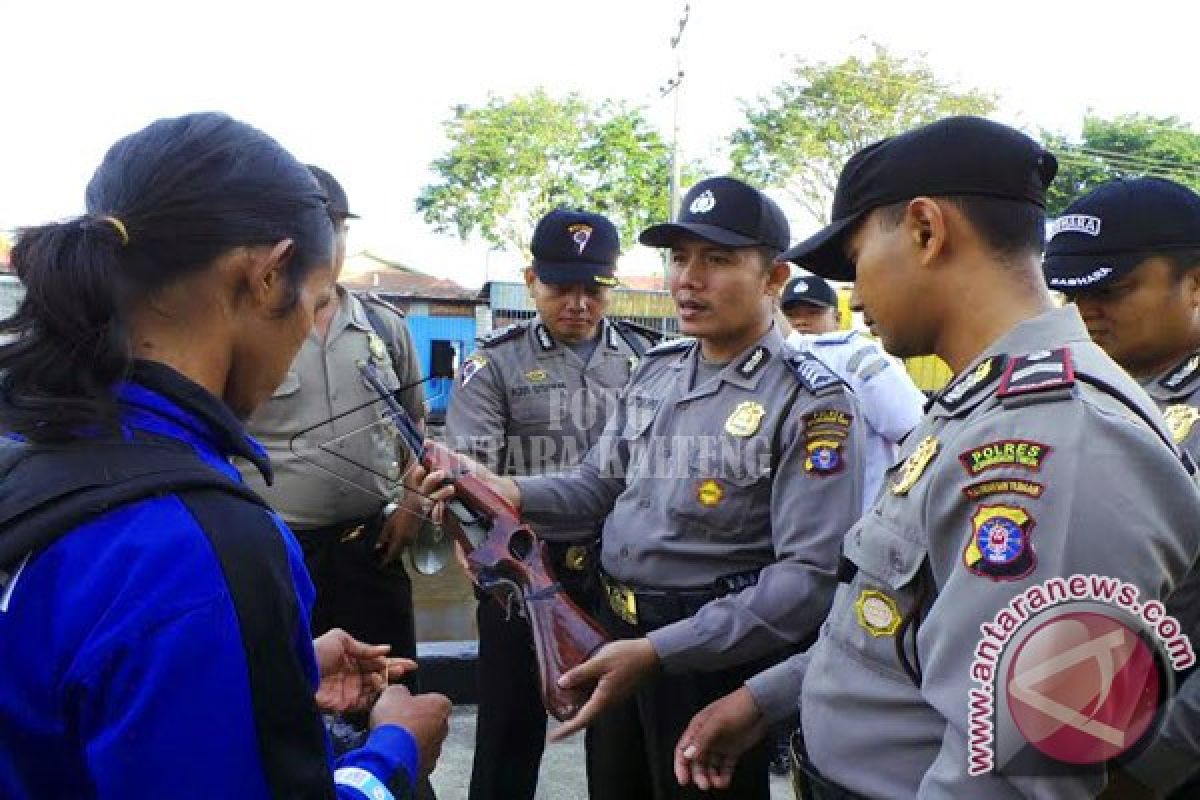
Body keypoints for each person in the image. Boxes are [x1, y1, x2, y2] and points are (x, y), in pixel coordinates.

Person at [672, 117, 1200, 798]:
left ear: (926, 229)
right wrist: (766, 698)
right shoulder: (975, 405)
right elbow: (897, 623)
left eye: (858, 260)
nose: (855, 296)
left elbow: (1015, 775)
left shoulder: (1060, 439)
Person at [0, 112, 450, 800]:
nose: (307, 334)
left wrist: (271, 664)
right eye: (315, 300)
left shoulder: (26, 456)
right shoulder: (198, 552)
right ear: (267, 277)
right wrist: (391, 755)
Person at [477, 176, 866, 800]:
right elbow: (595, 486)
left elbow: (808, 580)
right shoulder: (659, 371)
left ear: (773, 279)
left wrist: (661, 651)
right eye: (680, 257)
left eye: (716, 259)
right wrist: (507, 490)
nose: (689, 278)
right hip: (615, 639)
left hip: (709, 658)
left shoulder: (808, 399)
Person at [444, 208, 661, 800]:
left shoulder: (650, 363)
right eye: (561, 287)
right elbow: (470, 478)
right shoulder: (495, 365)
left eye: (594, 289)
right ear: (531, 278)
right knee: (509, 733)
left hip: (618, 573)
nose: (579, 303)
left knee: (617, 741)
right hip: (521, 573)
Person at [239, 165, 429, 697]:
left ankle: (395, 776)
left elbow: (414, 425)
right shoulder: (245, 328)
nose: (325, 243)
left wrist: (412, 506)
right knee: (288, 704)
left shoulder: (384, 326)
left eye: (336, 228)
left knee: (391, 690)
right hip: (278, 553)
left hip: (373, 548)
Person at [1043, 176, 1200, 797]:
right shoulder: (1083, 390)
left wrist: (1146, 773)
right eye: (1072, 295)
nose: (1086, 313)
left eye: (1110, 290)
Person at [779, 273, 926, 512]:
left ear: (836, 317)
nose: (801, 321)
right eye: (792, 315)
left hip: (859, 519)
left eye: (813, 312)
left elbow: (913, 429)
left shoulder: (856, 355)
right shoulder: (774, 358)